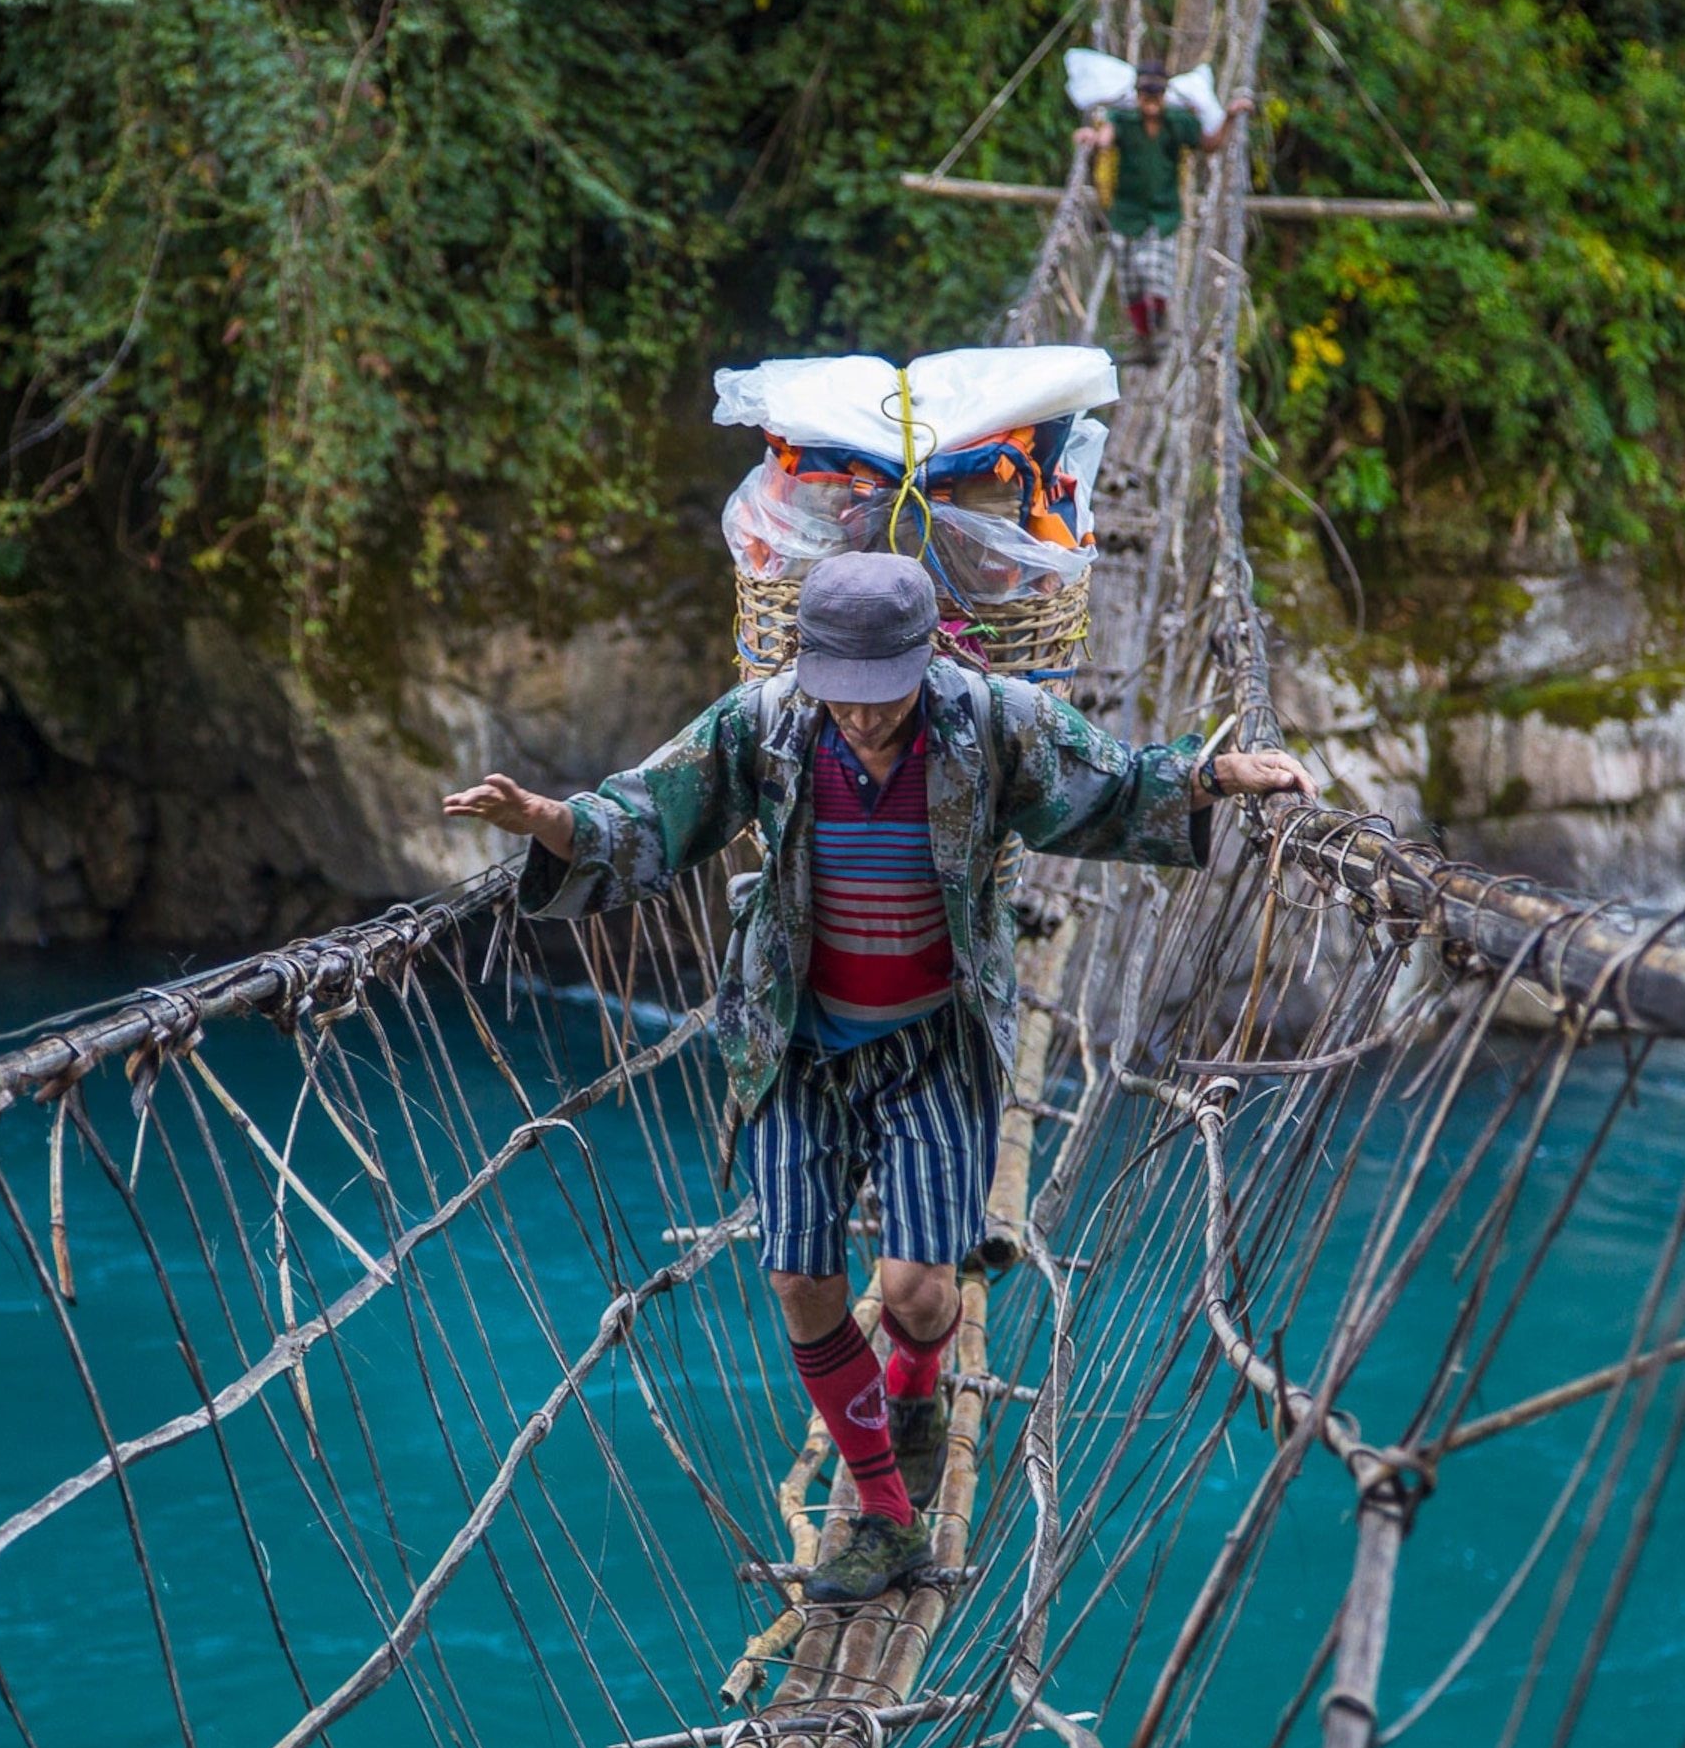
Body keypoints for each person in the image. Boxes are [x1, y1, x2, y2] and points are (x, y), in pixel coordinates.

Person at [444, 554, 1314, 1601]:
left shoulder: (993, 720)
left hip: (934, 1036)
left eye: (878, 692)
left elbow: (1109, 787)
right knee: (801, 1278)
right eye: (838, 692)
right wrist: (552, 821)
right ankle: (886, 1514)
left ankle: (915, 1388)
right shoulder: (762, 724)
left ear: (923, 660)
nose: (856, 715)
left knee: (918, 1288)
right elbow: (652, 812)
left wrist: (1216, 775)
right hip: (794, 1032)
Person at [1074, 62, 1254, 360]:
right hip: (1126, 213)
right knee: (1131, 283)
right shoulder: (1122, 119)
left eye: (1156, 91)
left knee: (1154, 273)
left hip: (1162, 213)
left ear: (1165, 92)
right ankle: (1145, 339)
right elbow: (1104, 139)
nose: (1151, 98)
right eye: (1145, 91)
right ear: (1137, 92)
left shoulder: (1177, 122)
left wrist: (1230, 117)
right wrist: (1090, 138)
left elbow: (1210, 144)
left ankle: (1158, 329)